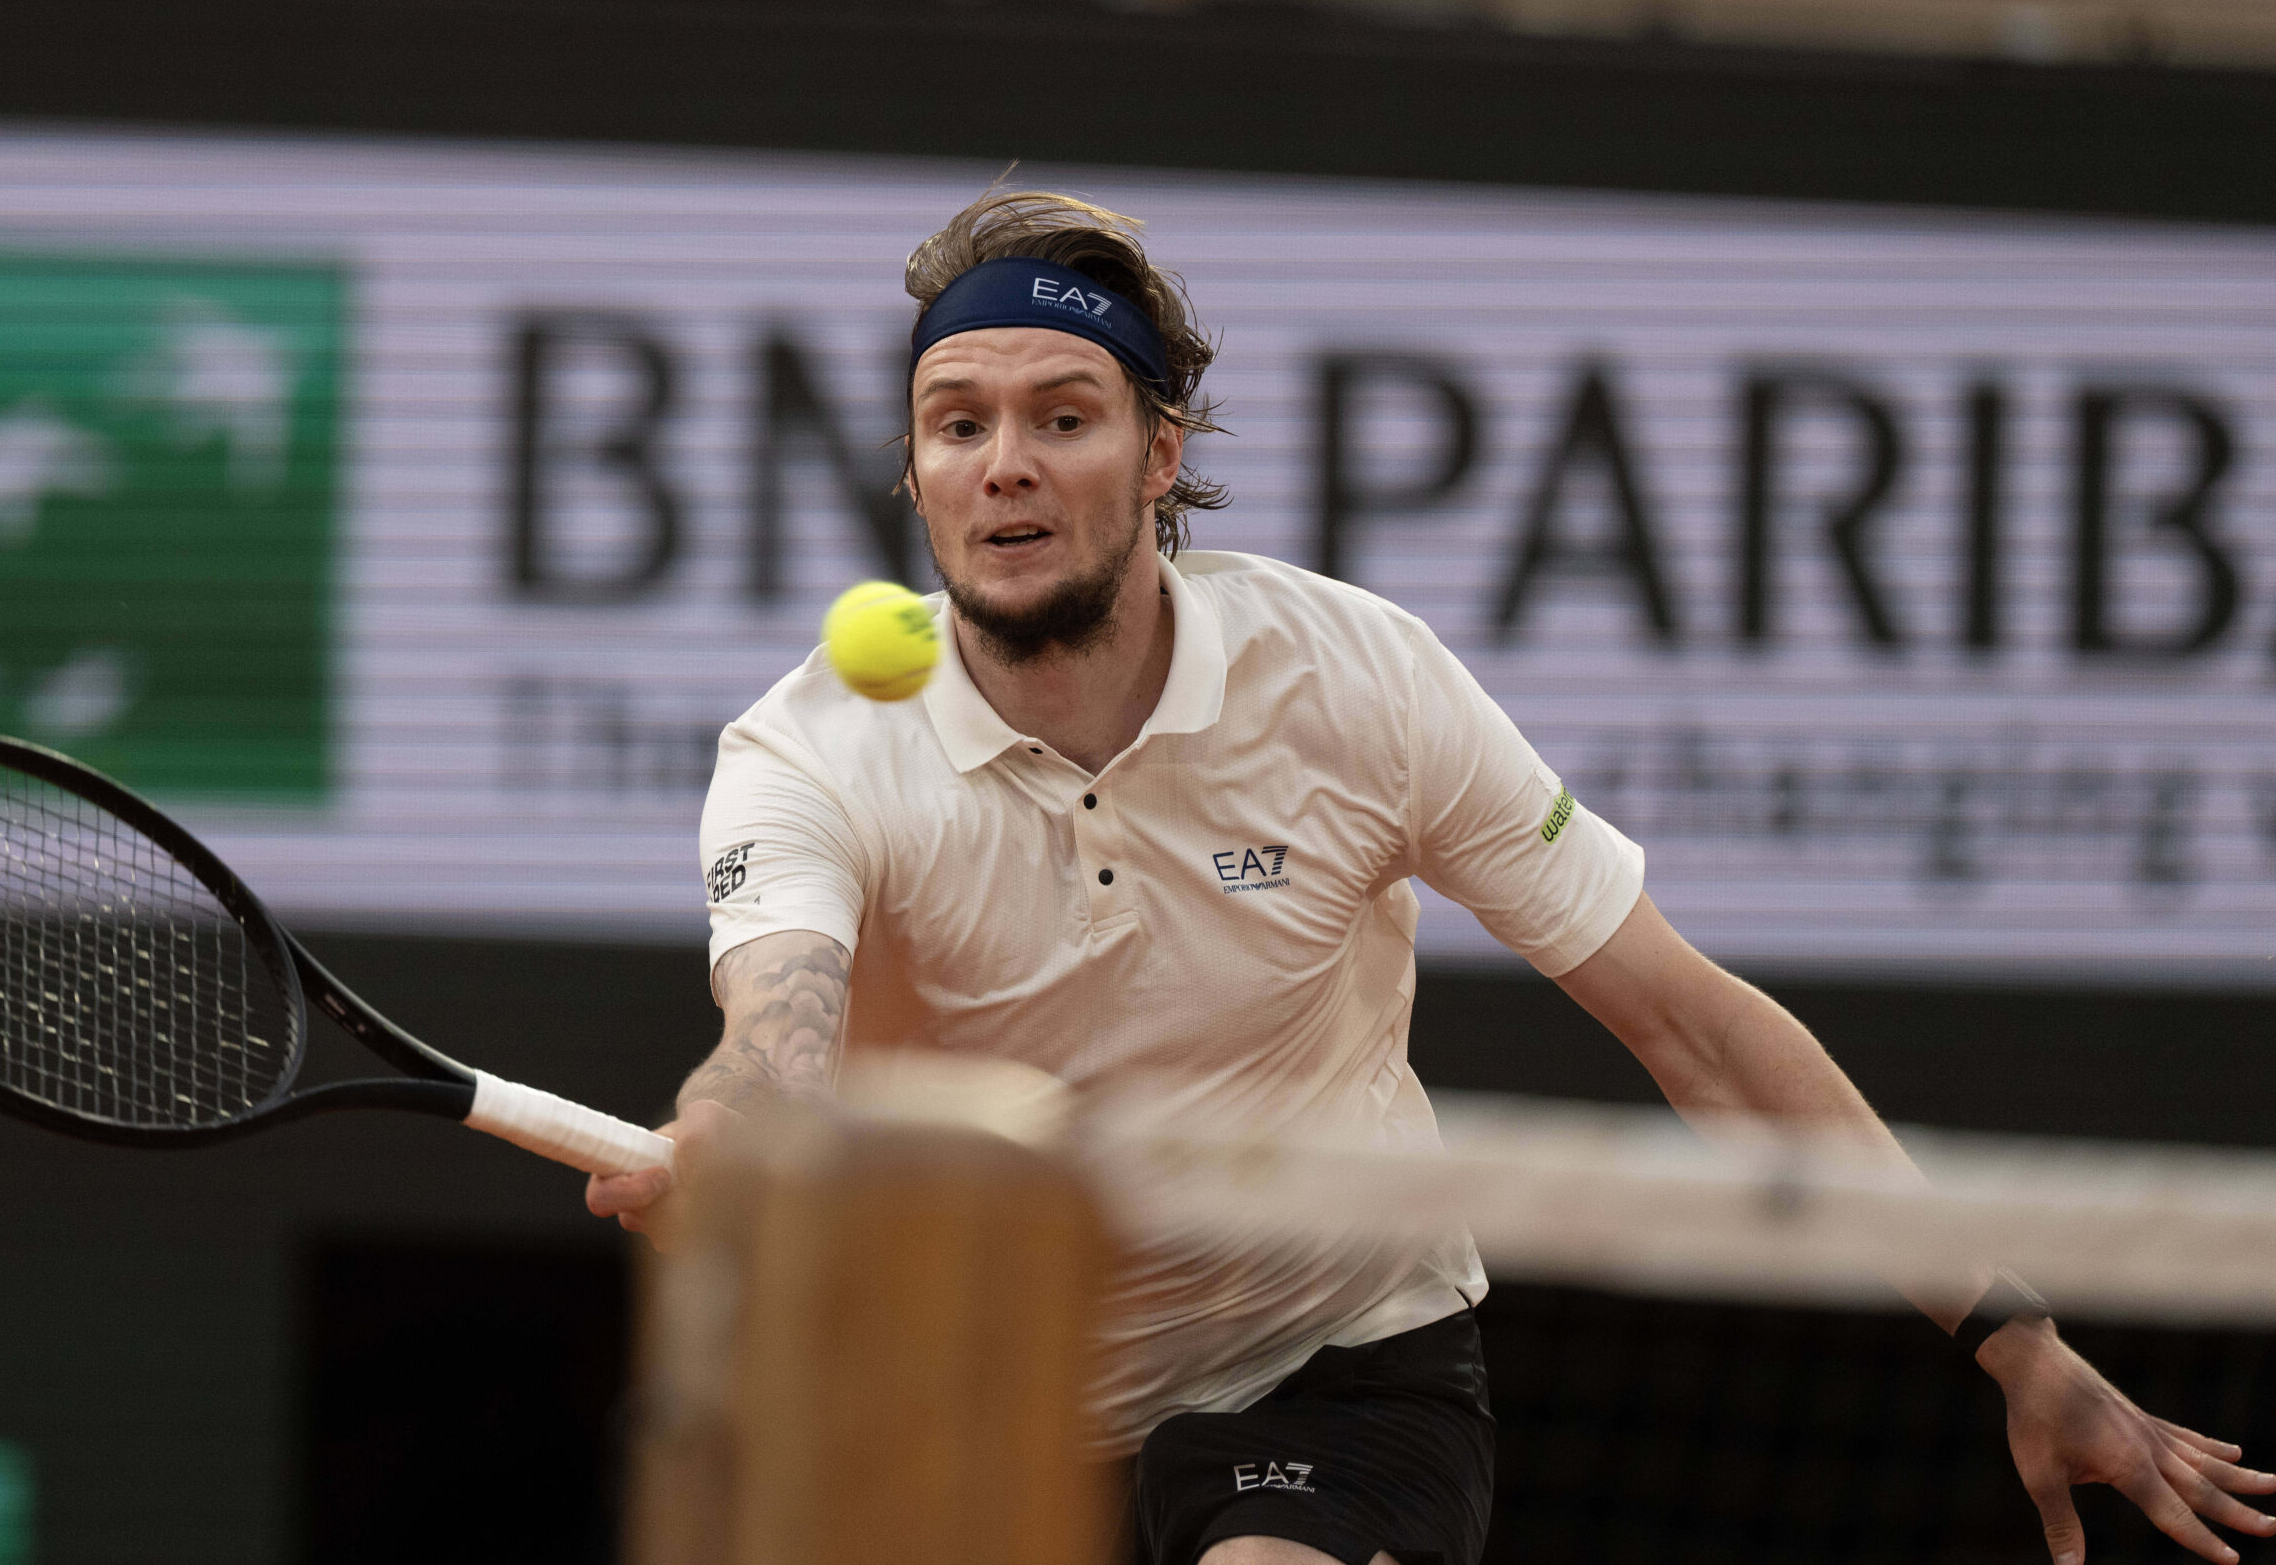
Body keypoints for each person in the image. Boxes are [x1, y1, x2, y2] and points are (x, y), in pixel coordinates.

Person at [587, 192, 2276, 1565]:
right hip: (978, 1391)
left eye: (1063, 417)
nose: (1003, 463)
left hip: (1329, 1358)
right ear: (917, 472)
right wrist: (743, 1114)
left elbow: (1688, 1021)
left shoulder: (1357, 683)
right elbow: (774, 1032)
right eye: (958, 425)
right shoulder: (809, 752)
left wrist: (2014, 1332)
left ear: (1162, 457)